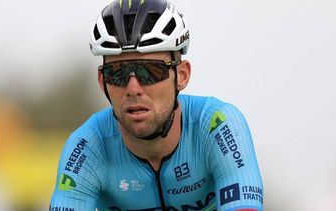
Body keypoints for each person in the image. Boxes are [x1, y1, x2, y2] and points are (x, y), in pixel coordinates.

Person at [49, 0, 264, 210]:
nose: (133, 88)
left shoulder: (217, 126)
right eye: (118, 73)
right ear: (102, 81)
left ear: (182, 75)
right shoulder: (87, 147)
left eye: (150, 71)